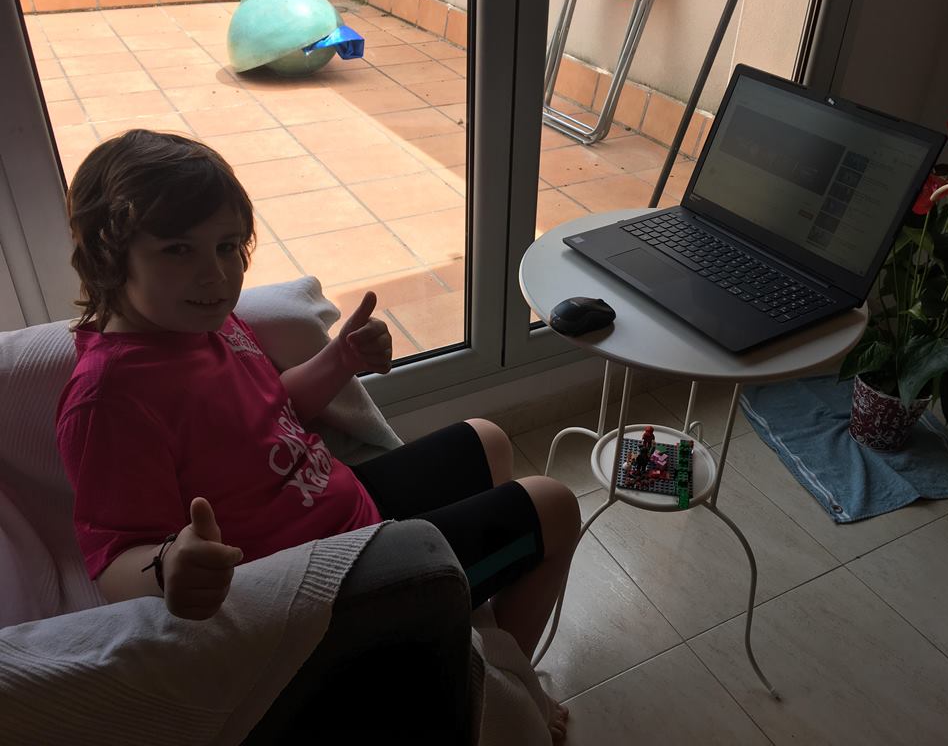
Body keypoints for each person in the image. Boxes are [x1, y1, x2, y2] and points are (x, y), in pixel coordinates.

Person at [55, 129, 577, 741]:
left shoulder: (201, 324)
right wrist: (169, 567)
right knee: (555, 506)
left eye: (228, 246)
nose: (216, 274)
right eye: (177, 249)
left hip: (340, 511)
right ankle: (500, 686)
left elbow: (273, 407)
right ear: (108, 255)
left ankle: (461, 644)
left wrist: (341, 358)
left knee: (488, 439)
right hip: (319, 592)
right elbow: (114, 556)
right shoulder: (110, 398)